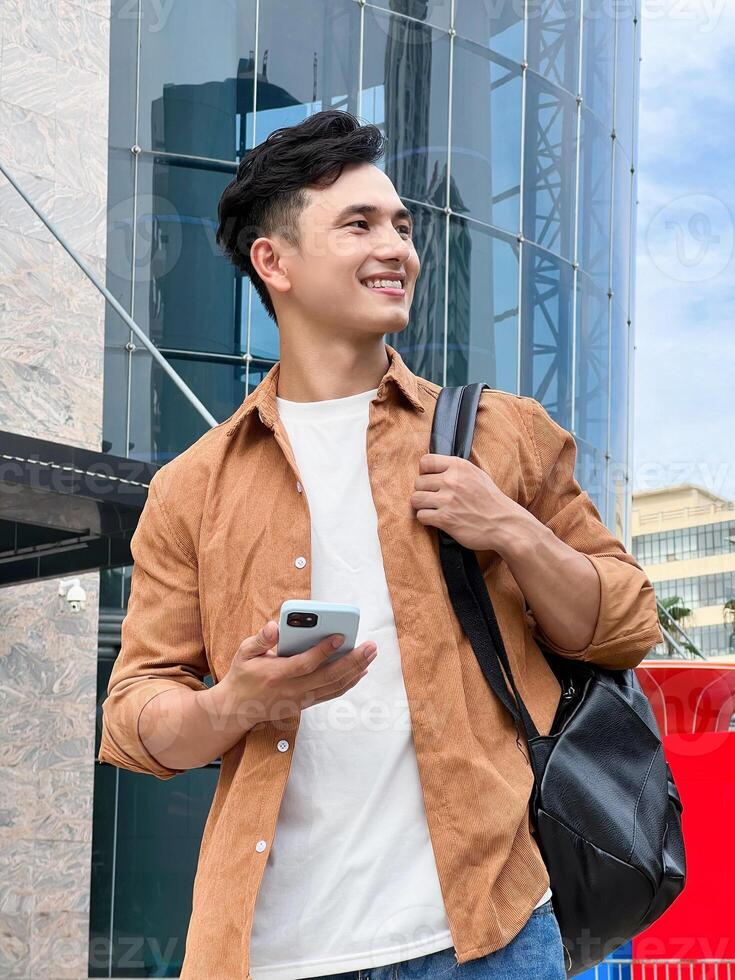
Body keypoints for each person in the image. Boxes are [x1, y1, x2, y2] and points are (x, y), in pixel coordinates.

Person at [98, 110, 663, 980]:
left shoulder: (499, 435)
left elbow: (626, 623)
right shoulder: (193, 488)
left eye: (401, 226)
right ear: (273, 262)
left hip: (487, 937)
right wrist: (233, 702)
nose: (395, 247)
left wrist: (507, 527)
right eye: (357, 224)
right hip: (272, 951)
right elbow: (136, 720)